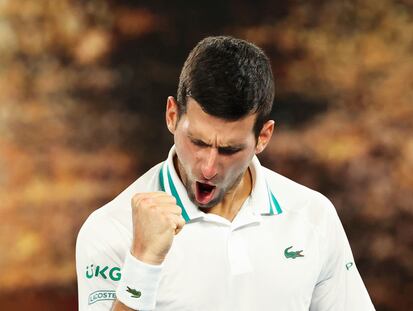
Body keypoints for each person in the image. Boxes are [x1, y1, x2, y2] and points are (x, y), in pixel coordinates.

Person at [76, 35, 375, 311]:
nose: (208, 167)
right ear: (171, 116)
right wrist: (142, 261)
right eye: (198, 142)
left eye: (229, 150)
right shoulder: (111, 230)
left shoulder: (313, 217)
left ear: (264, 137)